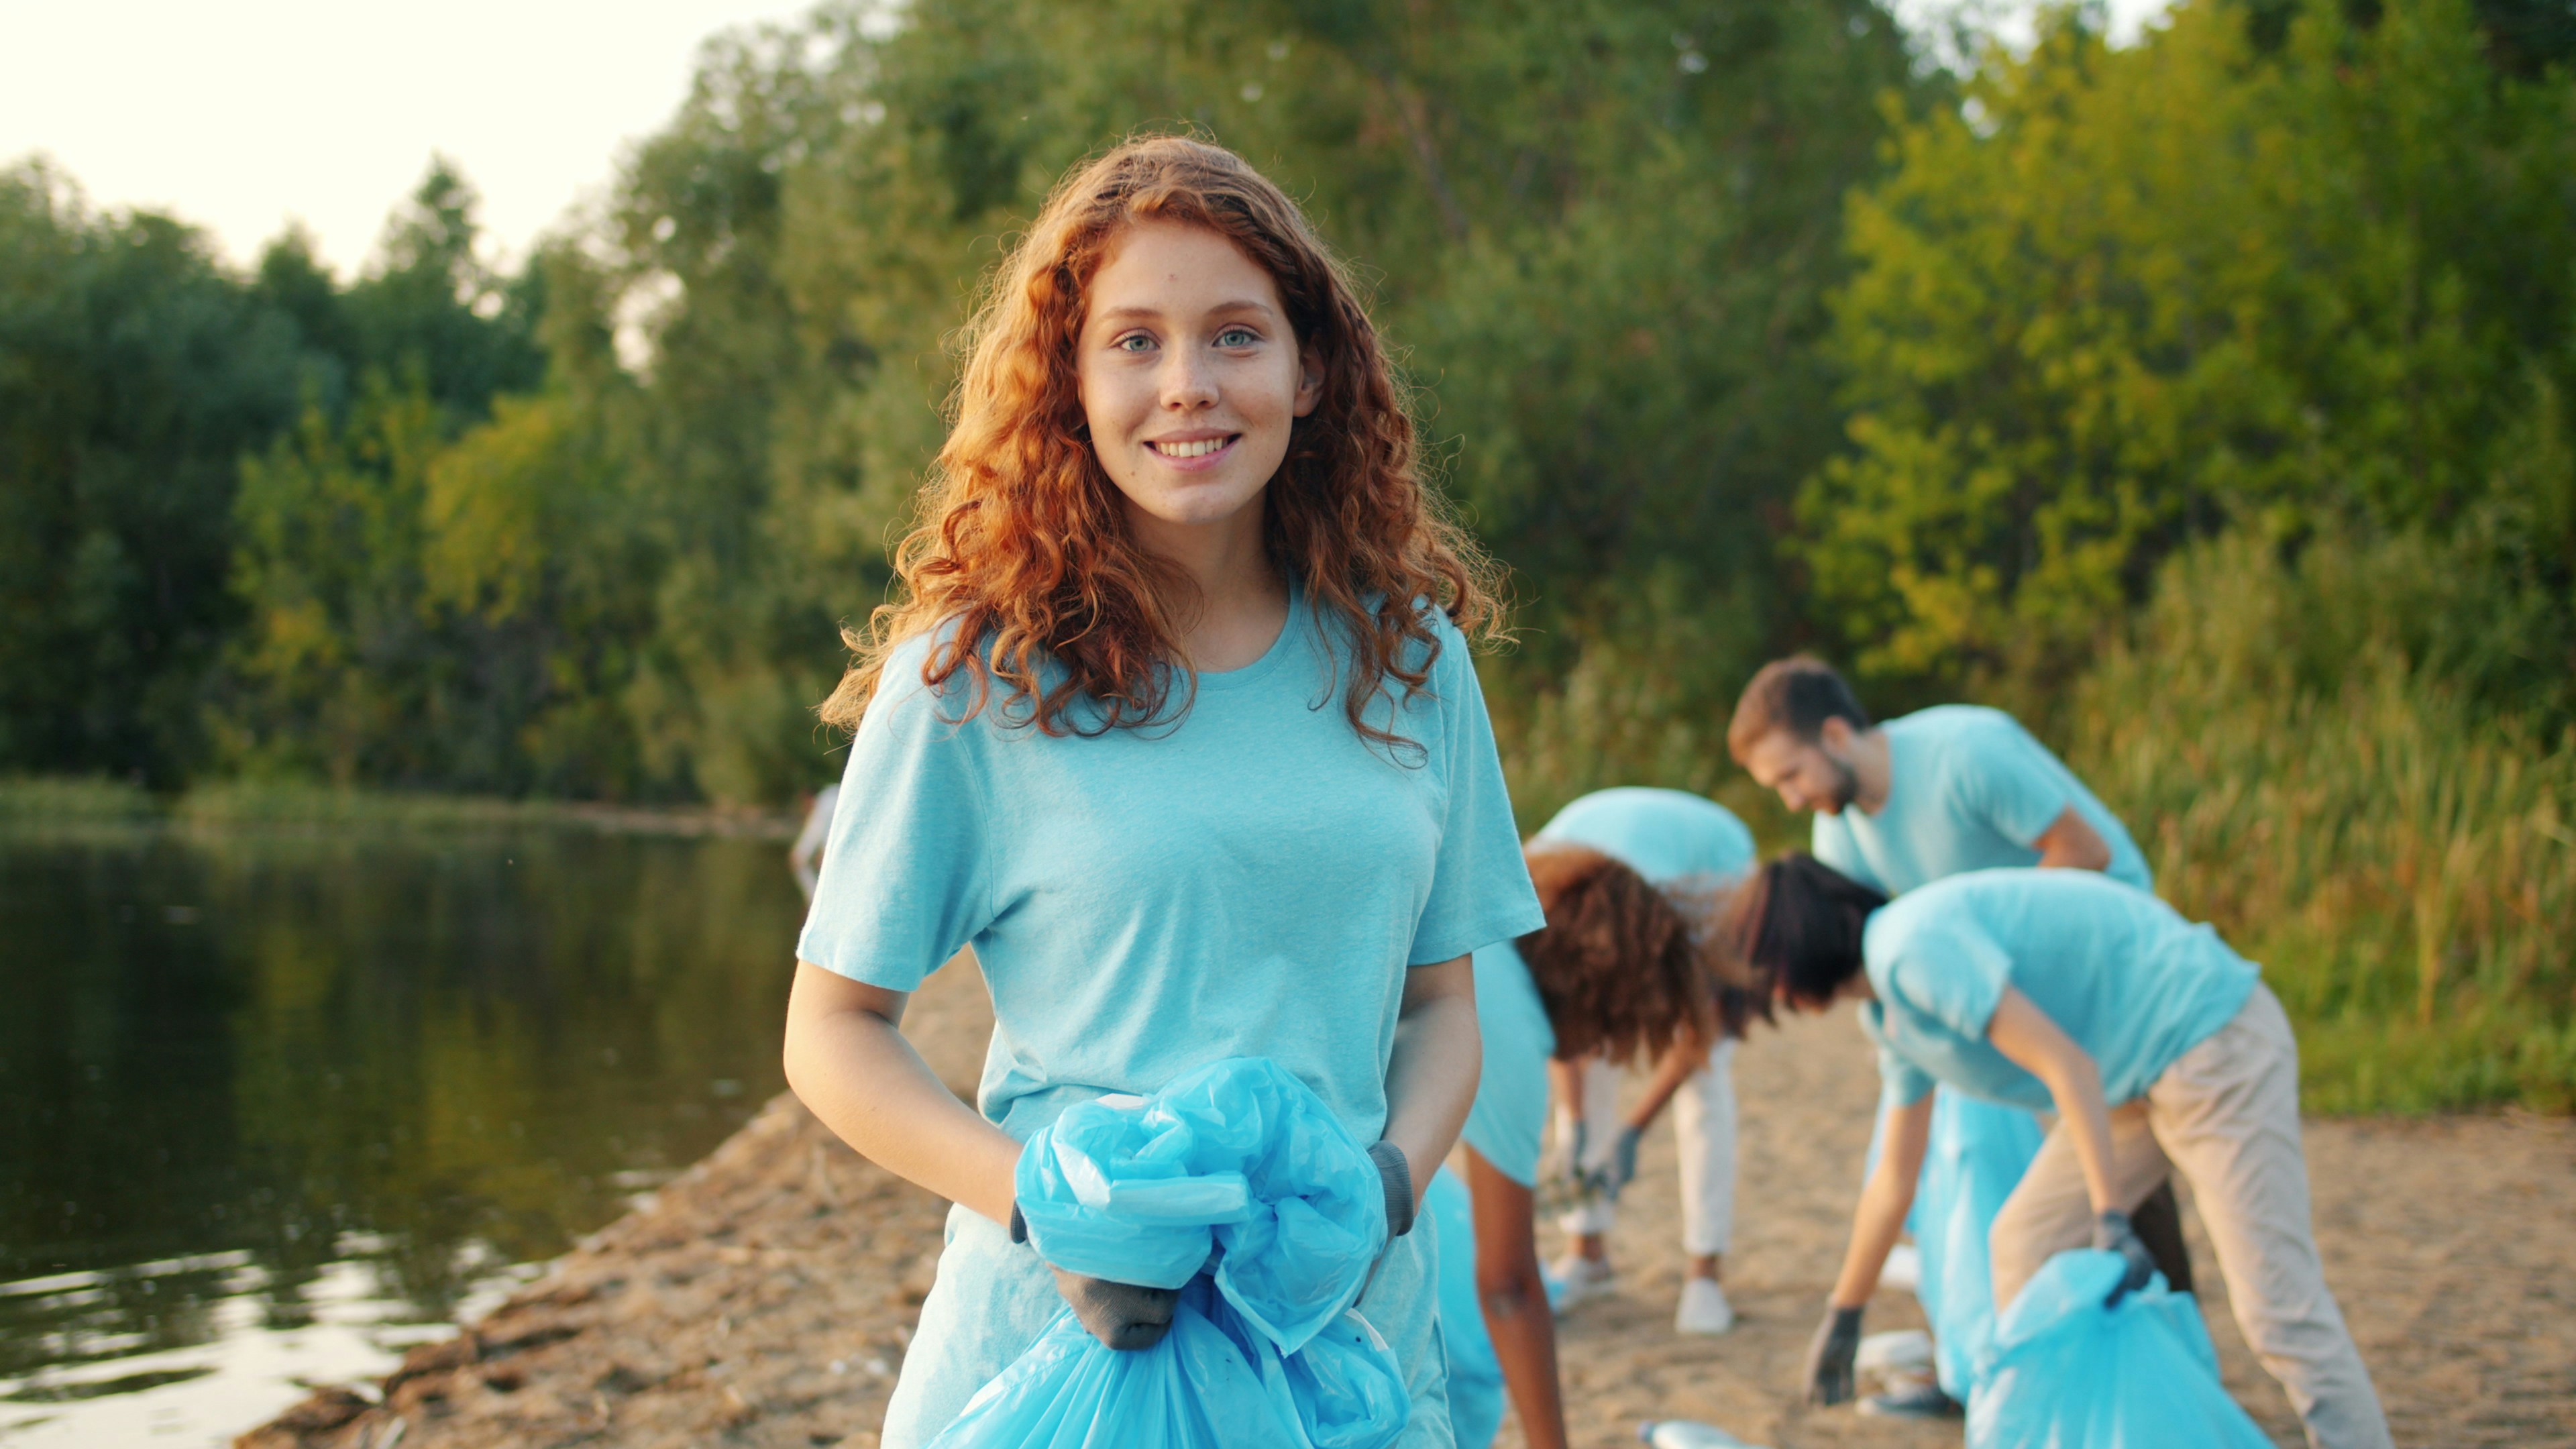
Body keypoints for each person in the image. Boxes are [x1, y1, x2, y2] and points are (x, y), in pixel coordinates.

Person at [780, 136, 1543, 1449]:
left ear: (1311, 371)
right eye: (1133, 341)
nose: (1187, 385)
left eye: (1235, 335)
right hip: (1056, 1357)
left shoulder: (1409, 659)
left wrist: (1385, 1186)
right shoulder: (977, 676)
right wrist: (1043, 1205)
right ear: (1069, 385)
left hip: (1345, 1348)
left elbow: (1441, 1010)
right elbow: (834, 1034)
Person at [1727, 857, 2394, 1449]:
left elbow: (2066, 1065)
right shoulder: (1889, 1015)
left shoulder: (1908, 945)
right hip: (2134, 1079)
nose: (1770, 991)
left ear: (1800, 940)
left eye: (1768, 967)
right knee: (2021, 1241)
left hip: (2209, 1040)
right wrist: (1844, 1314)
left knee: (2277, 1307)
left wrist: (2111, 1218)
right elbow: (1894, 1179)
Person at [1727, 655, 2187, 1414]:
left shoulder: (1965, 754)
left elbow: (2085, 851)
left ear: (1836, 734)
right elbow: (1882, 964)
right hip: (1986, 1004)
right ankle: (1975, 1360)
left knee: (2127, 1184)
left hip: (2109, 977)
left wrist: (1983, 975)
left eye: (1790, 775)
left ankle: (2174, 1357)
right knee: (1960, 1166)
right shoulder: (1840, 837)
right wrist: (1845, 1310)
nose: (1791, 798)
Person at [1429, 838, 1757, 1449]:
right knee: (1463, 1360)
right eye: (1618, 1033)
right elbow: (1508, 1285)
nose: (1607, 1050)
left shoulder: (1482, 936)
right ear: (1609, 993)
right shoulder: (1505, 1019)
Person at [1525, 788, 1756, 1334]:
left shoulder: (1703, 900)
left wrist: (1633, 1129)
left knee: (1707, 1085)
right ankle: (1588, 1253)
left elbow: (1697, 1037)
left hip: (1708, 862)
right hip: (1594, 851)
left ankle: (1705, 1273)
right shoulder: (1538, 896)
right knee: (1592, 1061)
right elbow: (1565, 1028)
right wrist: (1578, 1123)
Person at [788, 782, 839, 899]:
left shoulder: (824, 804)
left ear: (808, 799)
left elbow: (814, 832)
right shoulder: (830, 796)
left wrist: (799, 855)